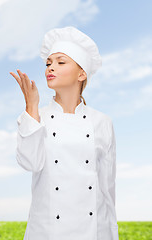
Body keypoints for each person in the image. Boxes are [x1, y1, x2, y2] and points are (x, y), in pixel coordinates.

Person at [10, 26, 119, 240]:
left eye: (60, 62)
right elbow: (29, 163)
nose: (50, 68)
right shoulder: (35, 117)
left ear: (81, 74)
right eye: (48, 63)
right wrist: (31, 106)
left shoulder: (102, 122)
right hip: (47, 231)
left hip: (94, 231)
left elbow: (107, 190)